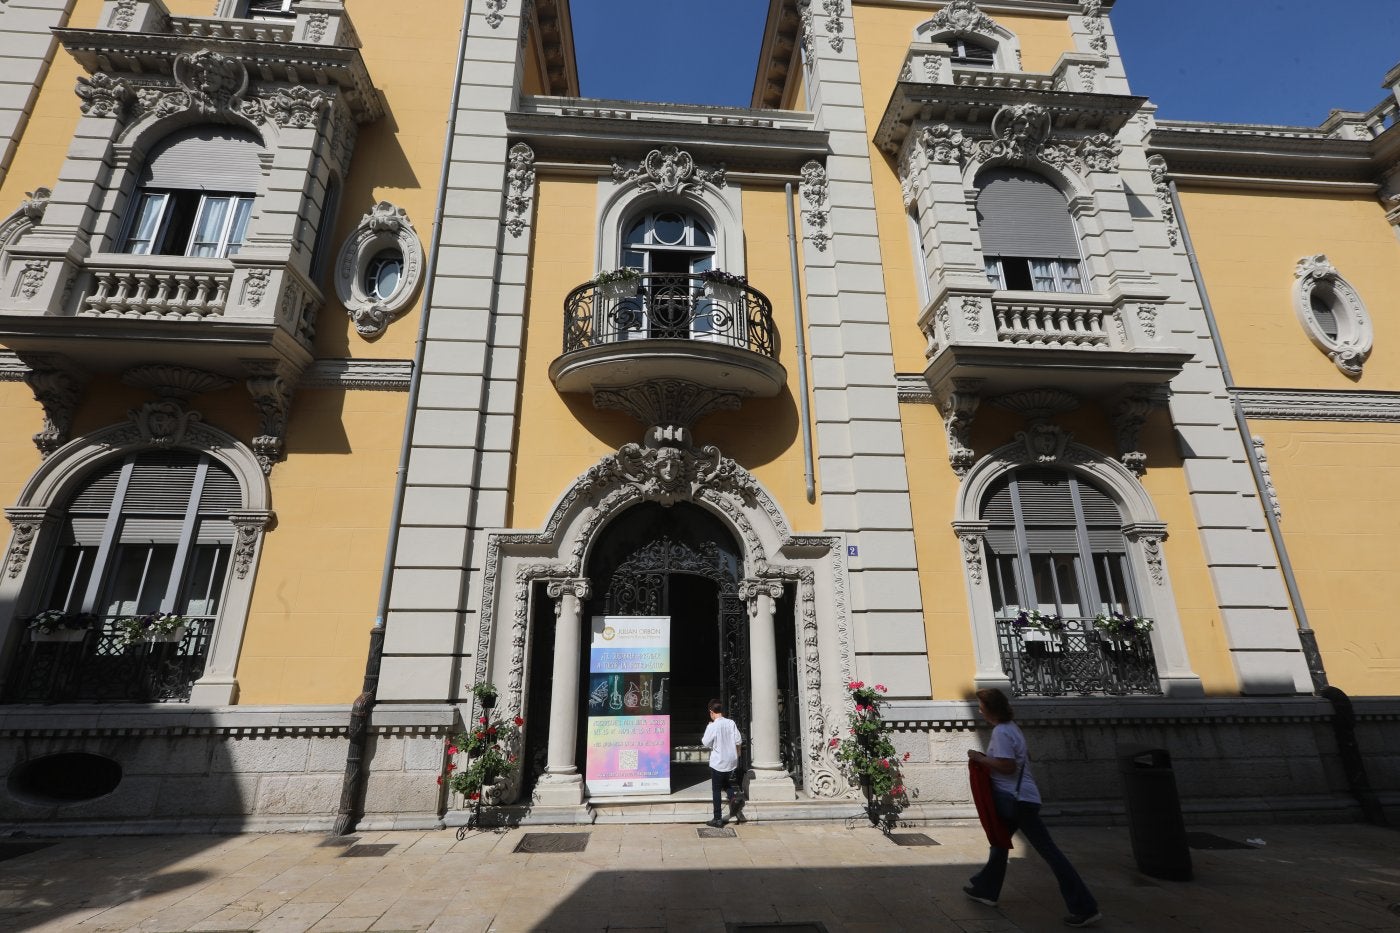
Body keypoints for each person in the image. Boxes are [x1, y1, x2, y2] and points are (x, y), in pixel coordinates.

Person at [965, 687, 1101, 928]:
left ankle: (1084, 906)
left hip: (1017, 801)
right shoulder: (1011, 729)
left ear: (990, 709)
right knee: (999, 843)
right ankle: (986, 889)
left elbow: (1008, 767)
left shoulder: (1001, 733)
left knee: (1049, 852)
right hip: (1019, 798)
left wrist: (979, 757)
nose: (979, 710)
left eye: (981, 706)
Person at [700, 698, 743, 827]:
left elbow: (705, 742)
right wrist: (738, 753)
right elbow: (738, 740)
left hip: (718, 761)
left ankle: (717, 818)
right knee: (726, 782)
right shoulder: (731, 723)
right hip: (730, 761)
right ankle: (734, 799)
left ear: (711, 712)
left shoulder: (713, 726)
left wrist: (708, 726)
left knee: (716, 790)